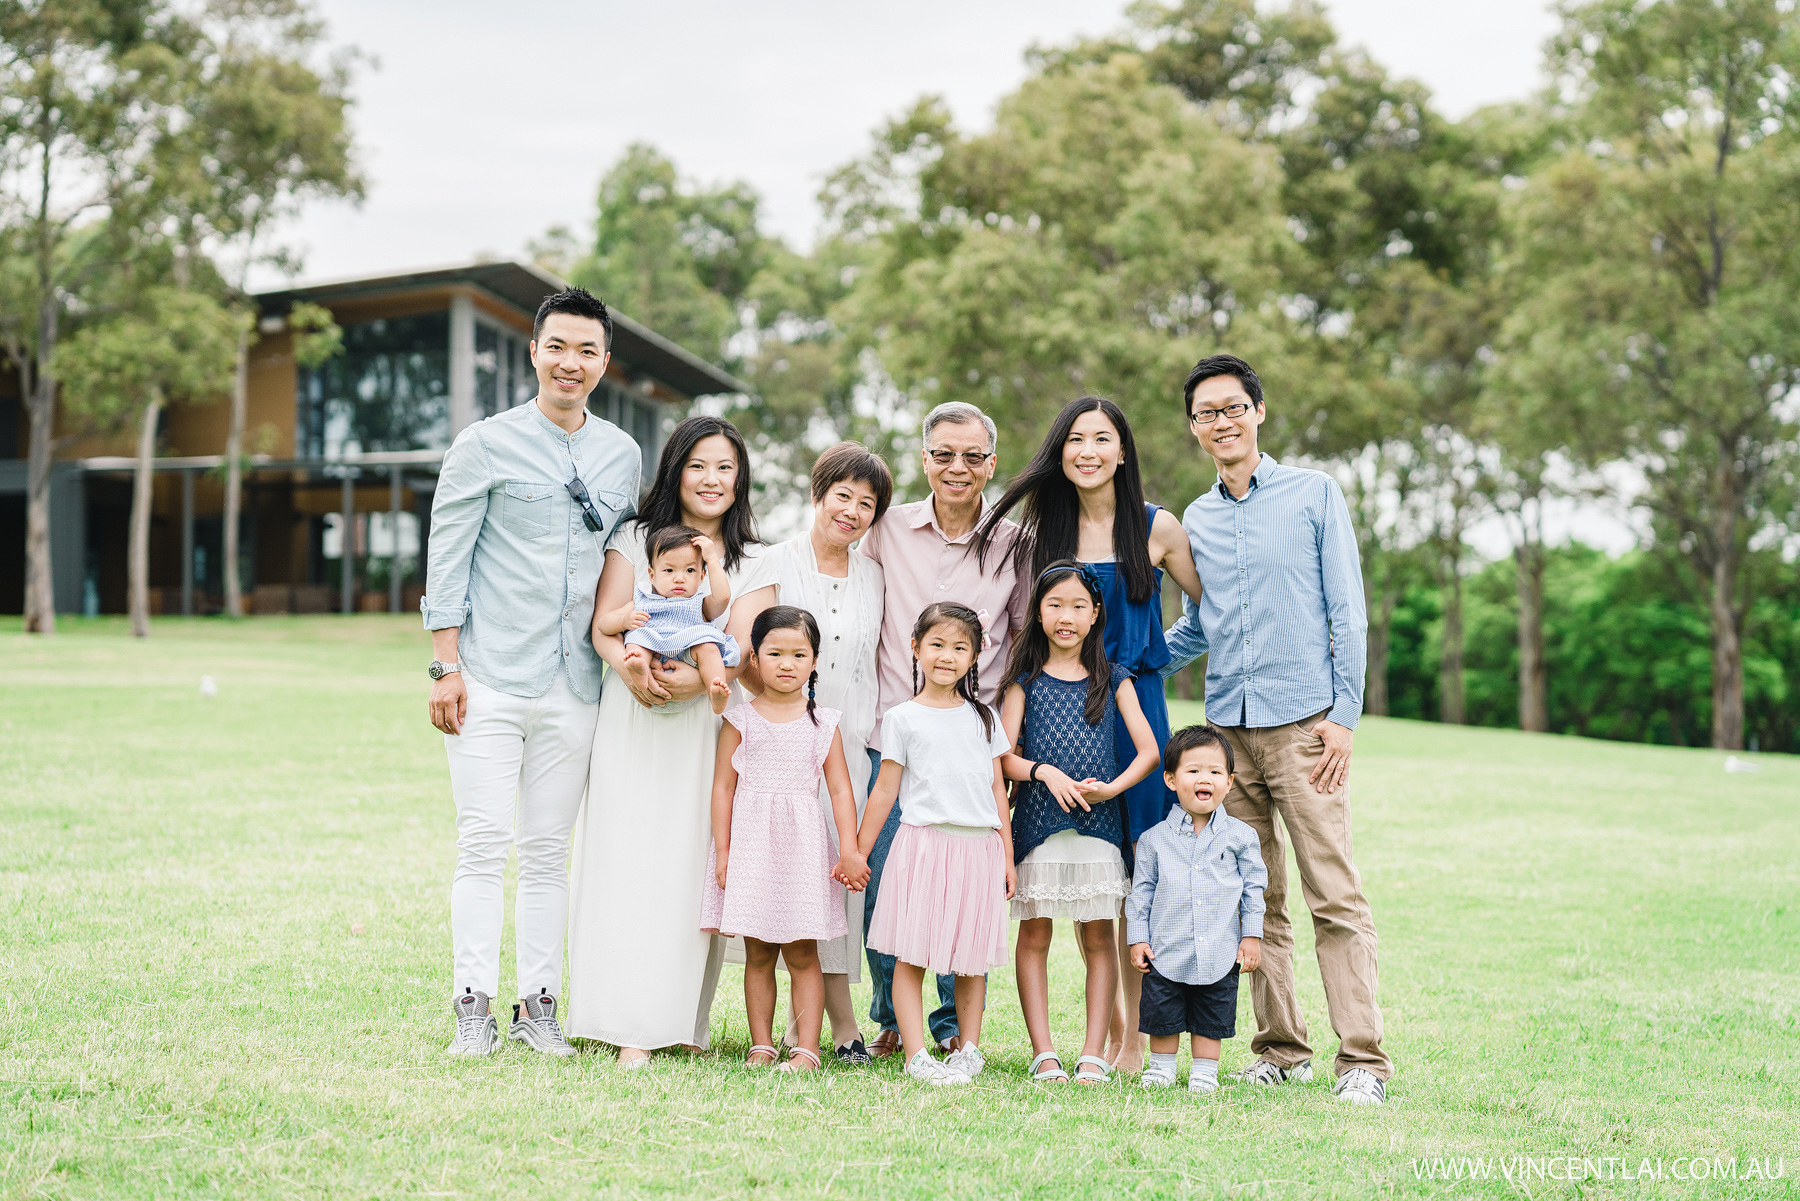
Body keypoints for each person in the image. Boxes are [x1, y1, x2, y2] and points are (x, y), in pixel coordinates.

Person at [1162, 353, 1391, 1105]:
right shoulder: (1196, 518)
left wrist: (1345, 717)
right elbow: (1202, 625)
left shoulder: (1314, 494)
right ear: (1194, 427)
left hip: (1306, 729)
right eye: (1206, 413)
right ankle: (1281, 1047)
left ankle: (1362, 1060)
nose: (1220, 422)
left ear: (1259, 411)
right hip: (1229, 736)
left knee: (1335, 895)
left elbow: (1345, 610)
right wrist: (1130, 664)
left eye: (1232, 407)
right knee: (1254, 898)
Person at [422, 287, 638, 1056]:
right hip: (488, 676)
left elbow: (624, 562)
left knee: (550, 852)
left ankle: (538, 1006)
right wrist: (443, 665)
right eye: (558, 347)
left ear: (604, 362)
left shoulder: (623, 454)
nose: (570, 363)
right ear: (535, 352)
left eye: (586, 350)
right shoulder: (482, 443)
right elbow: (446, 559)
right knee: (483, 842)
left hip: (578, 684)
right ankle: (471, 1008)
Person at [977, 394, 1205, 1074]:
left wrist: (1157, 655)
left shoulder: (1158, 527)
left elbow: (1207, 610)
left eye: (1101, 438)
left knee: (1135, 876)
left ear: (1122, 450)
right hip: (1064, 715)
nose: (1087, 450)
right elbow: (1032, 619)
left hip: (1135, 710)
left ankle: (1134, 1036)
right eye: (1075, 438)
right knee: (1082, 874)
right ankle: (1094, 1036)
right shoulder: (1045, 531)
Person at [566, 416, 778, 1067]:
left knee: (688, 870)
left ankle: (678, 1017)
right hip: (632, 719)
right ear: (675, 470)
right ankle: (621, 1015)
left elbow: (742, 645)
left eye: (725, 467)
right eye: (698, 465)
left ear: (740, 478)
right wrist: (630, 671)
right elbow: (604, 625)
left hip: (706, 731)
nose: (711, 479)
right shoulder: (635, 538)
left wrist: (694, 683)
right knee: (625, 858)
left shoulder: (755, 556)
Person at [856, 402, 1031, 1059]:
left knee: (962, 887)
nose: (957, 467)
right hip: (894, 738)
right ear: (924, 459)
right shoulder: (888, 529)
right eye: (943, 454)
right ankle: (890, 1016)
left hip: (970, 743)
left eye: (973, 456)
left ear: (992, 463)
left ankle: (952, 1024)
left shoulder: (1015, 542)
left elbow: (1018, 646)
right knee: (886, 884)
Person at [998, 561, 1161, 1085]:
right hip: (1039, 827)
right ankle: (1044, 1052)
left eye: (1077, 607)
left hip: (1099, 827)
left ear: (1095, 616)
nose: (1065, 617)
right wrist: (1043, 771)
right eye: (1054, 605)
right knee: (1034, 937)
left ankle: (1093, 1053)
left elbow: (1149, 752)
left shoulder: (1115, 679)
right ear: (1038, 613)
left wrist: (1113, 787)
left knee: (1098, 938)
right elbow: (1003, 758)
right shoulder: (1023, 683)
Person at [762, 442, 891, 1063]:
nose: (853, 511)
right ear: (818, 495)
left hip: (852, 753)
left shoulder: (875, 575)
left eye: (867, 504)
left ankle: (834, 1024)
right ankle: (806, 1026)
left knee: (839, 883)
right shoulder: (775, 562)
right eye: (843, 495)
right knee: (783, 882)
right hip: (784, 747)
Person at [701, 607, 870, 1073]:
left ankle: (807, 1049)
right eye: (775, 653)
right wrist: (724, 852)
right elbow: (723, 787)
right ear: (754, 658)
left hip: (803, 849)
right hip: (753, 844)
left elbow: (839, 789)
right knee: (757, 951)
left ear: (814, 660)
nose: (787, 663)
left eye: (799, 654)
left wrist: (851, 850)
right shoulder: (740, 719)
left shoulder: (824, 722)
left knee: (801, 951)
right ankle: (761, 1044)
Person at [857, 602, 1016, 1086]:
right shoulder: (902, 717)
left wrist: (1007, 856)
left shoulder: (984, 718)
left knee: (969, 955)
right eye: (937, 645)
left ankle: (968, 1049)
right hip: (923, 846)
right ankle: (916, 1054)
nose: (947, 656)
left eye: (960, 647)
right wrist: (859, 852)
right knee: (911, 952)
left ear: (975, 658)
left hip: (977, 849)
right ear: (916, 648)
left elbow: (996, 789)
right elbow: (885, 789)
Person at [1127, 725, 1266, 1093]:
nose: (1205, 778)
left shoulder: (1241, 837)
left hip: (1219, 948)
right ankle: (1161, 1067)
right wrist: (1137, 938)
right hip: (1166, 948)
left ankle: (1205, 1071)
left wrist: (1251, 936)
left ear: (1230, 781)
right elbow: (1140, 893)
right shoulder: (1155, 840)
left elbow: (1254, 889)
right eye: (1193, 771)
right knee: (1163, 1010)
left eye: (1215, 772)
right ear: (1171, 780)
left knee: (1211, 1011)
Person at [595, 525, 737, 714]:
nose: (679, 578)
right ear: (652, 575)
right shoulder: (643, 599)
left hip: (688, 651)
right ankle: (639, 670)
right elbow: (603, 624)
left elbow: (723, 598)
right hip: (652, 647)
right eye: (669, 570)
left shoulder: (699, 603)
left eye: (689, 571)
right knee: (637, 642)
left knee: (709, 647)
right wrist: (623, 621)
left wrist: (711, 559)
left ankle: (715, 689)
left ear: (702, 576)